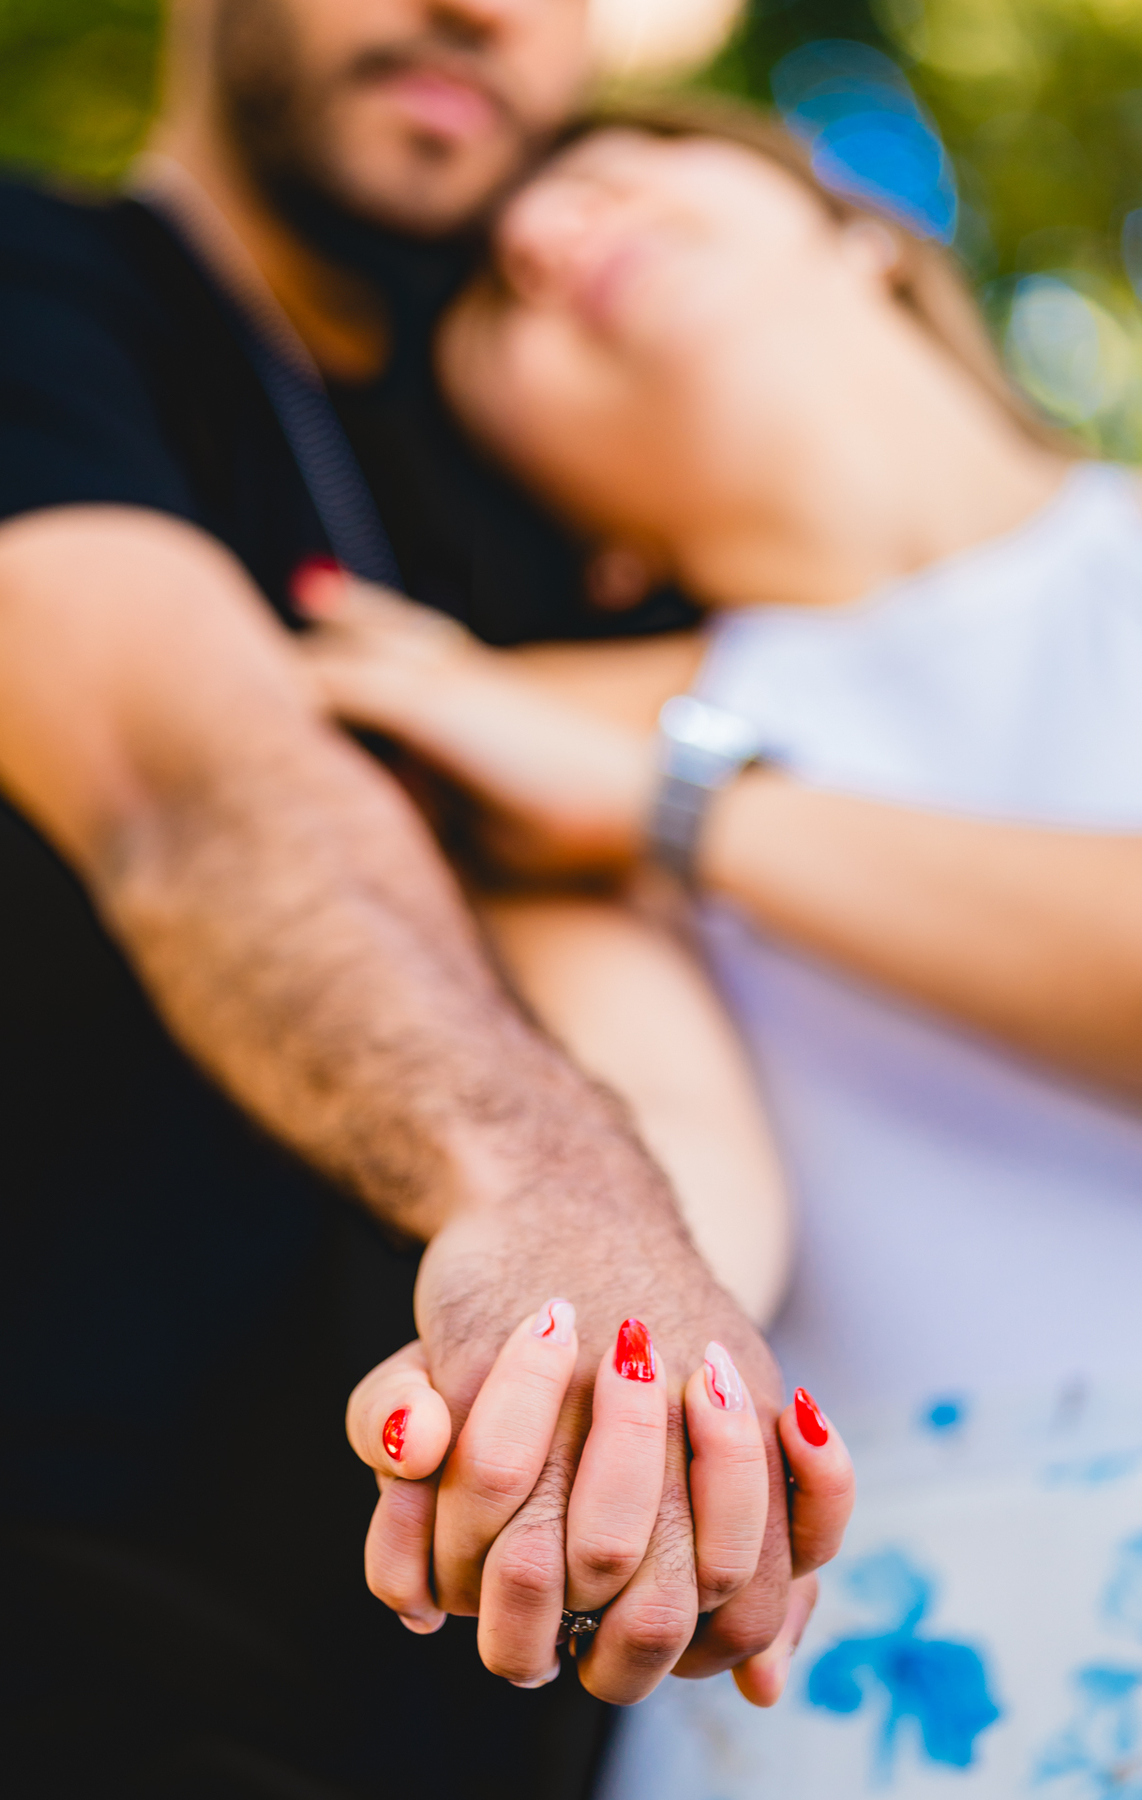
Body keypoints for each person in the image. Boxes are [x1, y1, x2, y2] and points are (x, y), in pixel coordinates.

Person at [0, 9, 858, 1796]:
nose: (481, 10)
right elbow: (181, 791)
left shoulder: (571, 429)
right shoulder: (16, 287)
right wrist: (550, 1195)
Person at [291, 100, 1142, 1795]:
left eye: (618, 164)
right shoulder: (519, 751)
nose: (545, 234)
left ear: (863, 235)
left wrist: (674, 803)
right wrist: (581, 1371)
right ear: (580, 532)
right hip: (869, 1690)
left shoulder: (587, 770)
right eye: (499, 295)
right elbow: (673, 1171)